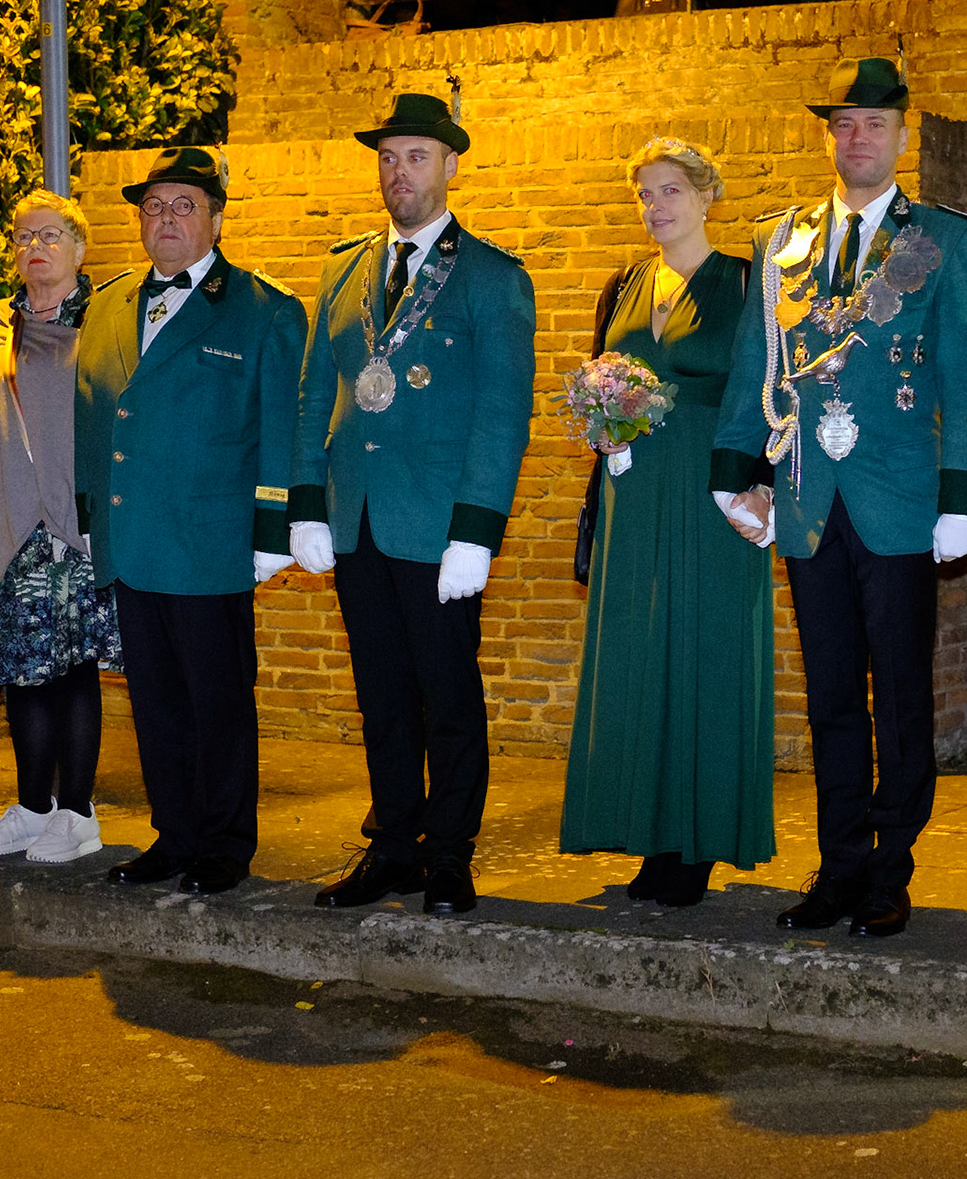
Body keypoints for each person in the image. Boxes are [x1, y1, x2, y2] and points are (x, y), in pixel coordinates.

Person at [712, 57, 967, 939]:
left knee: (902, 691)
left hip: (902, 495)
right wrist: (735, 470)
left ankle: (890, 869)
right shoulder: (782, 242)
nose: (856, 138)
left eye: (873, 124)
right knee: (832, 693)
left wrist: (963, 493)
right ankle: (839, 866)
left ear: (903, 136)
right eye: (842, 124)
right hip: (805, 495)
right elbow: (756, 361)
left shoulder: (943, 238)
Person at [291, 92, 536, 917]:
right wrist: (305, 506)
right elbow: (313, 394)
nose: (400, 174)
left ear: (451, 166)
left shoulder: (492, 276)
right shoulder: (345, 267)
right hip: (357, 515)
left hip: (437, 525)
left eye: (417, 157)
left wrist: (477, 530)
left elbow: (504, 411)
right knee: (382, 696)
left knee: (448, 696)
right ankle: (392, 844)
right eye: (389, 158)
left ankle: (450, 854)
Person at [74, 146, 307, 897]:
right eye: (153, 208)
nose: (165, 219)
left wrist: (272, 536)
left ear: (215, 217)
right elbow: (91, 422)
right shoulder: (109, 304)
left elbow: (283, 427)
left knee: (218, 703)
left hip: (211, 542)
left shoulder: (264, 308)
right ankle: (174, 835)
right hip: (133, 539)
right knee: (156, 703)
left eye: (183, 206)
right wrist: (88, 524)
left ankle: (225, 843)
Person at [559, 137, 775, 908]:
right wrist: (599, 427)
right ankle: (648, 833)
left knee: (706, 657)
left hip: (712, 495)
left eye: (671, 190)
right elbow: (598, 381)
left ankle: (697, 842)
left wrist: (766, 491)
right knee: (638, 653)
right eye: (645, 194)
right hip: (632, 494)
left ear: (707, 195)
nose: (656, 206)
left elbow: (774, 395)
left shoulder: (749, 283)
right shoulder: (622, 283)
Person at [0, 189, 118, 864]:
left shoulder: (104, 323)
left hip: (73, 532)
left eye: (48, 234)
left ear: (78, 246)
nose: (32, 247)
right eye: (20, 237)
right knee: (19, 671)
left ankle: (77, 814)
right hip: (4, 530)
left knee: (71, 673)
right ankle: (32, 805)